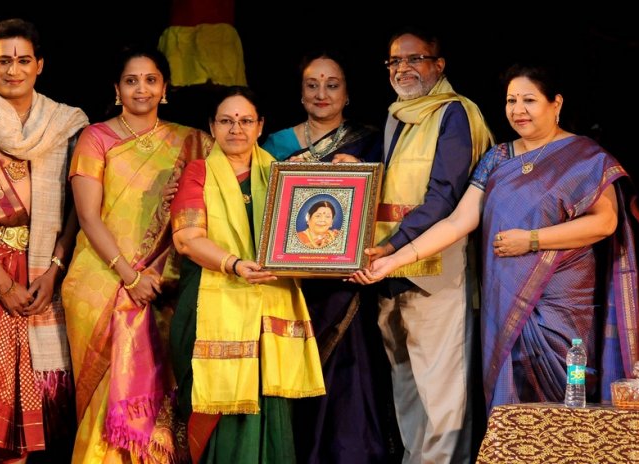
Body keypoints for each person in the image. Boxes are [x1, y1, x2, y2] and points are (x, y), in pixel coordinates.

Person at [351, 62, 638, 415]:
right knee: (512, 402)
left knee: (568, 404)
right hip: (505, 302)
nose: (518, 110)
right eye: (511, 101)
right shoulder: (498, 158)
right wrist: (393, 260)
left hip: (563, 305)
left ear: (556, 103)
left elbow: (605, 222)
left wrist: (532, 240)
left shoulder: (585, 157)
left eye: (529, 100)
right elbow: (457, 221)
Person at [0, 18, 88, 463]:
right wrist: (5, 285)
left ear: (39, 65)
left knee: (28, 411)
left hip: (44, 271)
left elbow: (78, 209)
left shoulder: (66, 126)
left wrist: (54, 270)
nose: (13, 70)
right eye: (3, 60)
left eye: (24, 60)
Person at [61, 44, 212, 463]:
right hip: (102, 282)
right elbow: (88, 216)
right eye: (131, 81)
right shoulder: (95, 138)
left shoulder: (192, 142)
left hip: (165, 285)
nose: (141, 89)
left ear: (164, 88)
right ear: (117, 89)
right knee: (103, 398)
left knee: (162, 393)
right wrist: (130, 276)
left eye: (150, 80)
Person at [169, 85, 325, 463]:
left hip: (271, 305)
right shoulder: (198, 173)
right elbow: (187, 239)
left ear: (260, 126)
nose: (236, 129)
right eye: (226, 121)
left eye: (245, 121)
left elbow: (315, 235)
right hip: (210, 304)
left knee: (270, 403)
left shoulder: (284, 176)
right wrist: (234, 265)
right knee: (217, 406)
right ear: (212, 127)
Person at [365, 27, 494, 464]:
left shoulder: (456, 112)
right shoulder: (397, 115)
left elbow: (445, 195)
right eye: (395, 61)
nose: (402, 68)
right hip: (389, 273)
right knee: (407, 392)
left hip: (436, 272)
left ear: (439, 65)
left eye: (414, 59)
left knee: (442, 397)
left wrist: (393, 246)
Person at [263, 50, 397, 464]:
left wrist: (361, 168)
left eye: (332, 85)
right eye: (312, 85)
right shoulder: (274, 145)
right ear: (301, 93)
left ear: (347, 93)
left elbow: (389, 204)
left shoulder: (372, 141)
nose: (322, 93)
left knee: (349, 377)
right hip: (290, 285)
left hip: (348, 284)